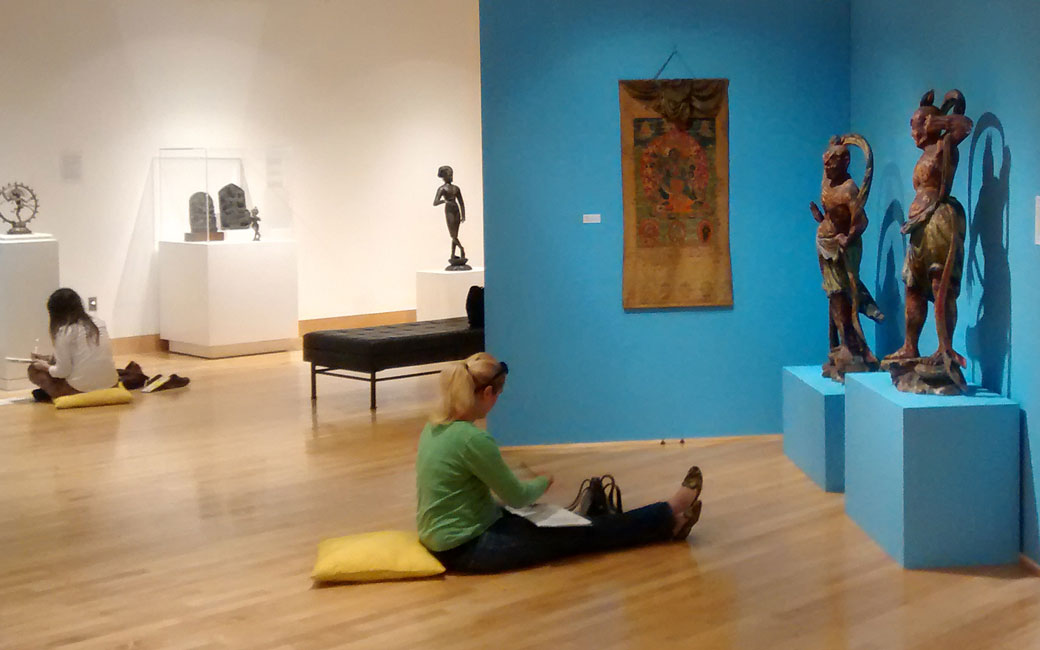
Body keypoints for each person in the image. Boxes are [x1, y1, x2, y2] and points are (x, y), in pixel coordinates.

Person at [416, 352, 704, 574]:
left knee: (565, 524)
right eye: (499, 393)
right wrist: (543, 481)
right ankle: (669, 514)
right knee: (583, 533)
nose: (499, 399)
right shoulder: (472, 440)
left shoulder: (435, 427)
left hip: (445, 537)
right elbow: (517, 496)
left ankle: (669, 519)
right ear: (488, 393)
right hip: (467, 547)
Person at [27, 288, 118, 401]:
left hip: (81, 389)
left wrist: (43, 366)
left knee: (33, 370)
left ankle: (56, 393)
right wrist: (48, 358)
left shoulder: (64, 331)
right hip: (111, 383)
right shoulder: (99, 323)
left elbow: (62, 372)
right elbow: (82, 355)